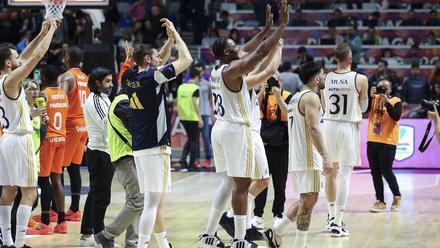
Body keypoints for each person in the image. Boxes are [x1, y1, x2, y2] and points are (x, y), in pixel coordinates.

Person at [197, 2, 289, 247]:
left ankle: (208, 234)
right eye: (234, 47)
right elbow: (258, 55)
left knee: (229, 183)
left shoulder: (219, 68)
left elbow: (248, 49)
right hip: (237, 130)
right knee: (242, 185)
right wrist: (281, 27)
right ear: (227, 53)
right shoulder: (233, 71)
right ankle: (239, 239)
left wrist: (265, 30)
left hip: (222, 128)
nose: (239, 48)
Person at [127, 18, 192, 248]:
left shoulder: (132, 77)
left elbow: (160, 60)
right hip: (155, 147)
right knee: (152, 204)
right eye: (155, 57)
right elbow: (187, 60)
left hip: (140, 147)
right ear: (148, 60)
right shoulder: (153, 77)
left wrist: (169, 40)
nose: (160, 59)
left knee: (156, 201)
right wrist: (178, 35)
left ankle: (163, 244)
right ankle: (143, 245)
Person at [0, 19, 59, 248]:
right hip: (20, 140)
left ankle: (6, 241)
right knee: (29, 192)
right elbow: (33, 59)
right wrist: (52, 31)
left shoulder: (4, 78)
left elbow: (25, 56)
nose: (19, 59)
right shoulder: (12, 80)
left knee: (8, 190)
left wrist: (40, 32)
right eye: (15, 58)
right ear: (8, 63)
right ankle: (19, 243)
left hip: (6, 139)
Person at [263, 60, 331, 248]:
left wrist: (277, 97)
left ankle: (276, 231)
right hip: (309, 155)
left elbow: (287, 114)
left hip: (298, 155)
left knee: (305, 198)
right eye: (323, 74)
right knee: (310, 200)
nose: (325, 77)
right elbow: (313, 128)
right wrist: (326, 156)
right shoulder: (310, 97)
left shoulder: (295, 97)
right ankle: (299, 245)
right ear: (317, 78)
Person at [322, 43, 369, 237]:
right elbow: (364, 107)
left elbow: (324, 105)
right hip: (348, 126)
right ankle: (338, 221)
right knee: (344, 176)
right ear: (349, 57)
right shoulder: (361, 78)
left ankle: (331, 217)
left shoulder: (326, 77)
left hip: (329, 125)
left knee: (330, 174)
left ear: (335, 58)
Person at [31, 65, 68, 234]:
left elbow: (36, 113)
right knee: (57, 180)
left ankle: (45, 221)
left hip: (49, 139)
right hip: (62, 138)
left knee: (44, 180)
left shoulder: (44, 94)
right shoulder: (63, 94)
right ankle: (62, 221)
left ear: (44, 78)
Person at [252, 74, 292, 230]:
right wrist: (262, 89)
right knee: (262, 181)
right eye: (267, 79)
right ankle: (258, 215)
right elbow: (252, 107)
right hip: (264, 145)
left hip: (282, 145)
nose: (270, 82)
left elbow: (289, 114)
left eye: (273, 79)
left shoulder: (287, 96)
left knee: (280, 183)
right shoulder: (261, 97)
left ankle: (278, 214)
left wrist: (277, 95)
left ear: (279, 81)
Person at [80, 67, 114, 245]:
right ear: (97, 83)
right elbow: (107, 125)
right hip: (100, 153)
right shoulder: (94, 101)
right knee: (102, 198)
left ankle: (87, 233)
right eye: (107, 81)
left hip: (102, 151)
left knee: (95, 193)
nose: (111, 85)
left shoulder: (103, 99)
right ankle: (100, 237)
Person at [58, 46, 90, 229]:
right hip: (83, 125)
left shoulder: (67, 76)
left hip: (70, 125)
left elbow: (61, 100)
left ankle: (57, 210)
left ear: (68, 57)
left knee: (58, 168)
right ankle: (75, 210)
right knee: (74, 167)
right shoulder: (85, 78)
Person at [367, 80, 402, 213]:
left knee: (386, 170)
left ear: (390, 90)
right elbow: (363, 109)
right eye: (381, 87)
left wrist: (386, 101)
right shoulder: (373, 99)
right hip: (372, 139)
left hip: (388, 141)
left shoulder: (395, 101)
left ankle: (397, 195)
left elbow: (396, 116)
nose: (383, 90)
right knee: (375, 172)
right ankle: (380, 201)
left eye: (386, 88)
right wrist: (369, 96)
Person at [177, 68, 203, 171]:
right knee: (194, 141)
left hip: (183, 117)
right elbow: (195, 103)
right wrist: (200, 118)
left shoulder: (181, 87)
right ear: (196, 77)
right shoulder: (195, 88)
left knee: (191, 138)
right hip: (193, 117)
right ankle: (192, 164)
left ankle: (183, 159)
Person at [195, 61, 213, 167]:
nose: (199, 71)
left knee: (206, 136)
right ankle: (196, 158)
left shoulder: (207, 84)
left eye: (200, 68)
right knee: (196, 137)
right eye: (197, 68)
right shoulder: (191, 84)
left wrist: (211, 111)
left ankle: (208, 157)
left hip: (205, 113)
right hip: (194, 113)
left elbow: (211, 98)